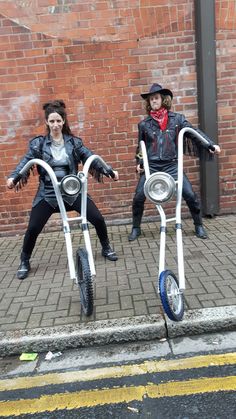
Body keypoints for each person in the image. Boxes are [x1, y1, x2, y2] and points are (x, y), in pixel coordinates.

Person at [7, 100, 119, 280]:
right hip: (48, 194)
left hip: (72, 191)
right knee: (33, 228)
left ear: (64, 120)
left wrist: (108, 170)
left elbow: (90, 156)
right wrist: (14, 177)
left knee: (97, 218)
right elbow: (25, 161)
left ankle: (106, 247)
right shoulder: (38, 144)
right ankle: (24, 260)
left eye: (58, 121)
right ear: (46, 122)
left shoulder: (74, 143)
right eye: (52, 121)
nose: (55, 125)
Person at [128, 83, 221, 241]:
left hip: (172, 165)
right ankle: (136, 228)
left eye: (156, 98)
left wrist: (210, 144)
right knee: (138, 197)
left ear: (163, 100)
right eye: (151, 99)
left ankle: (198, 225)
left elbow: (193, 133)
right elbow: (140, 147)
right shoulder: (144, 125)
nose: (153, 101)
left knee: (190, 195)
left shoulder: (177, 120)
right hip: (152, 167)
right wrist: (139, 162)